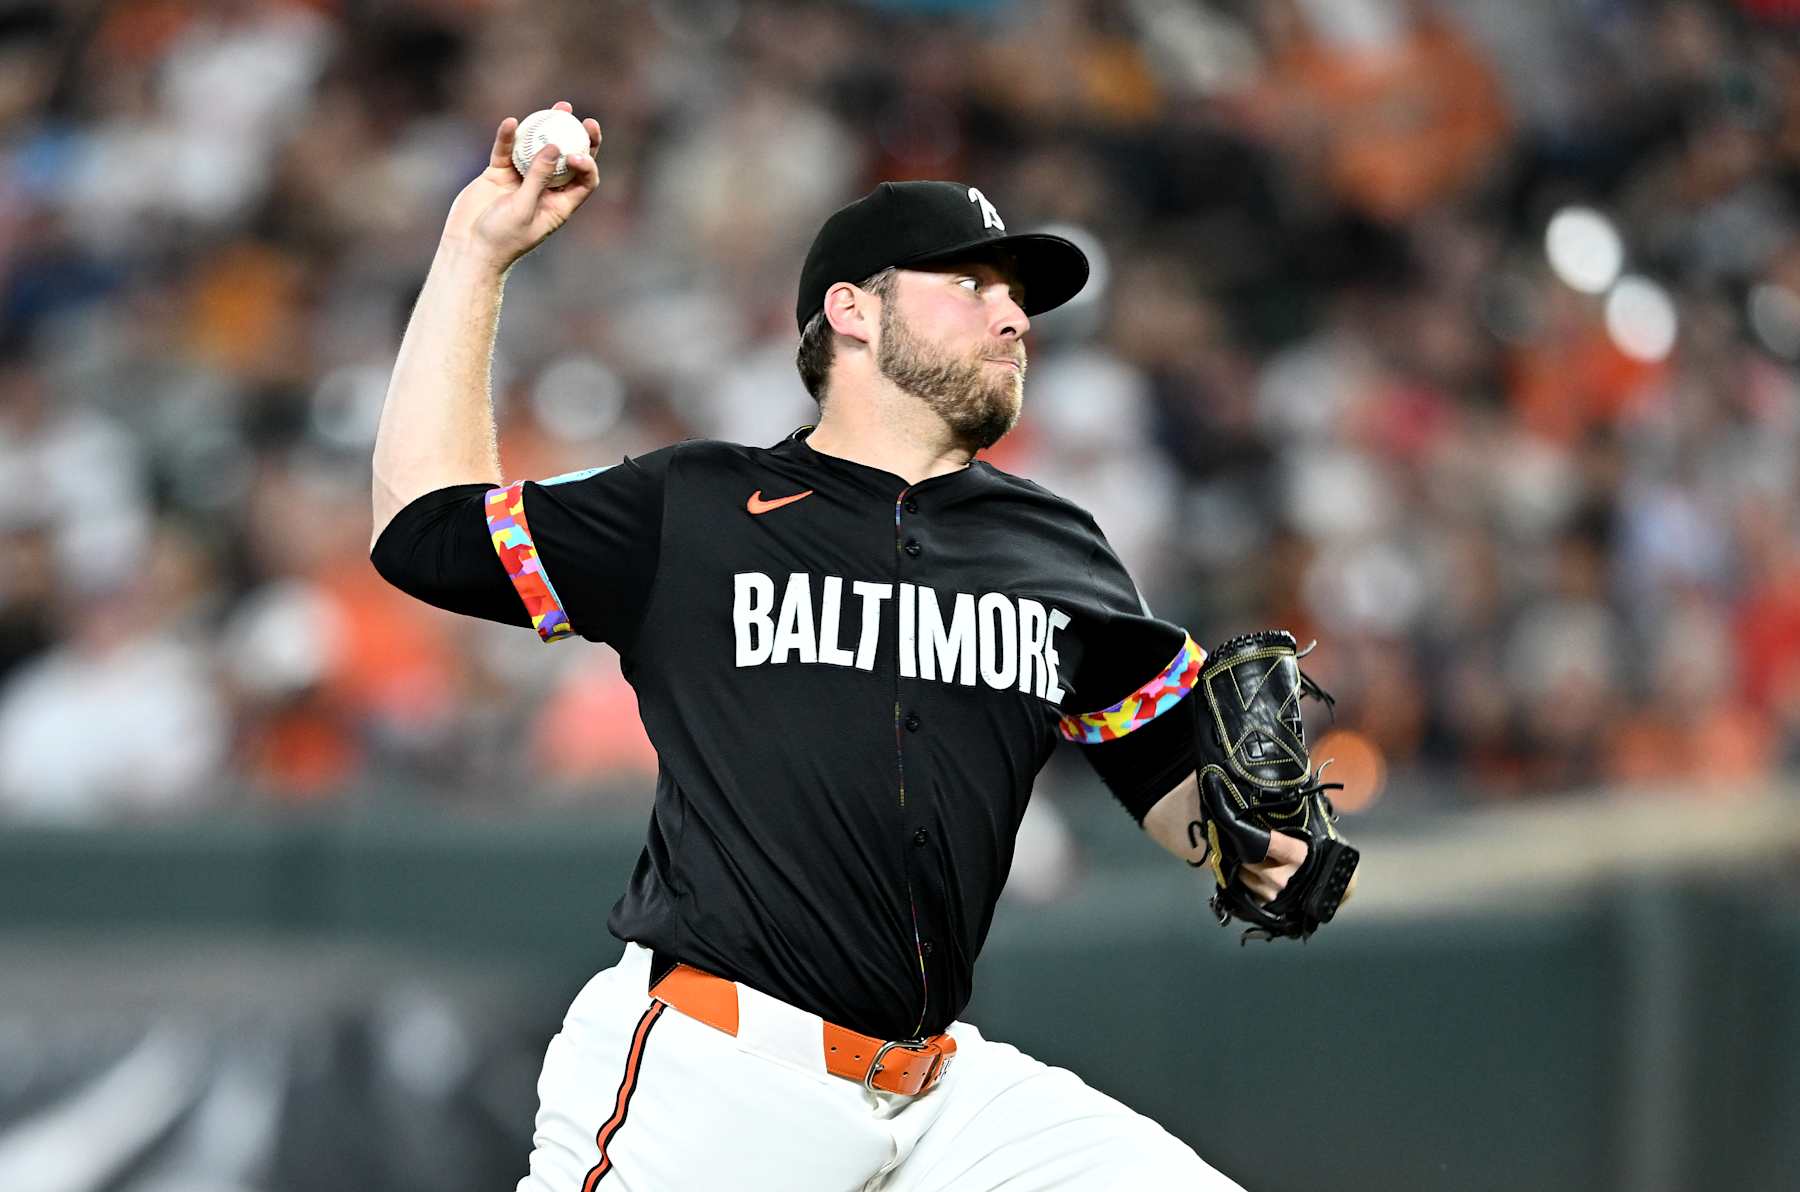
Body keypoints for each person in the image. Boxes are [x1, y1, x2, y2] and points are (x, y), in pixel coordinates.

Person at [370, 102, 1310, 1192]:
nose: (1013, 319)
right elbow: (424, 529)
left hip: (944, 1099)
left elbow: (1160, 766)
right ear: (852, 311)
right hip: (718, 1077)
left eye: (1019, 299)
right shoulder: (697, 508)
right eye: (972, 284)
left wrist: (1245, 841)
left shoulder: (1057, 546)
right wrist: (475, 252)